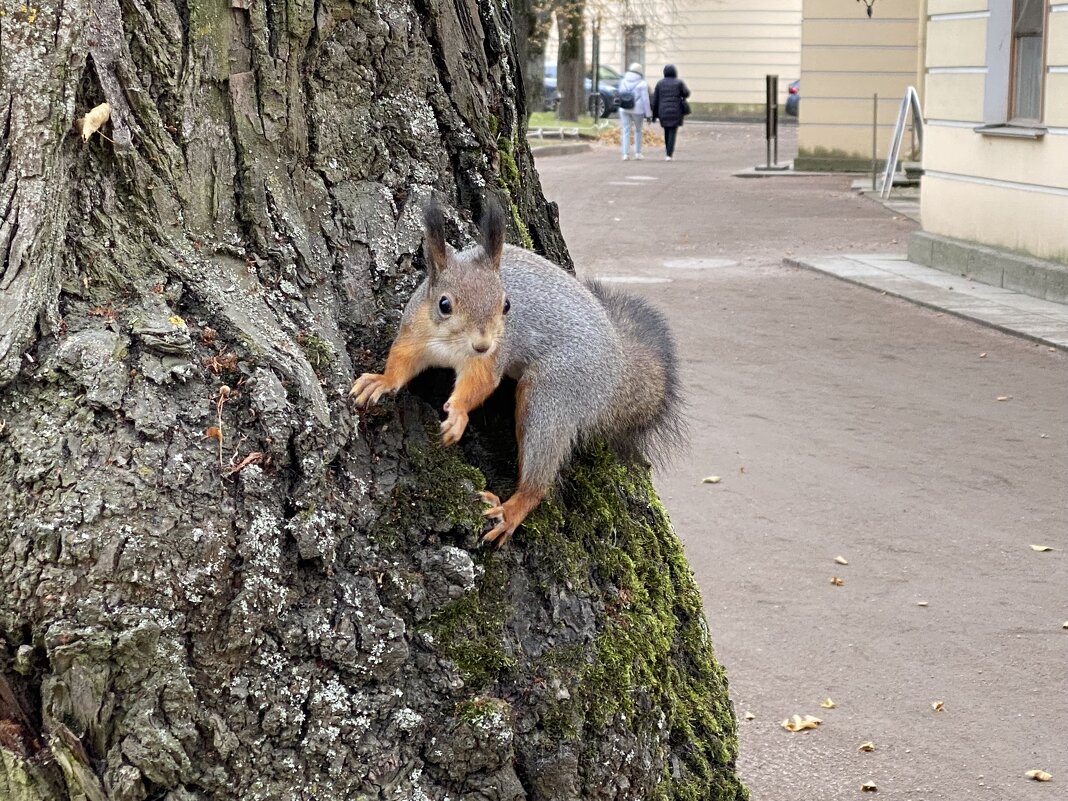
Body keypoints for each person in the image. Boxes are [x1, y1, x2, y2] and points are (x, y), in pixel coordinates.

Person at [352, 199, 682, 546]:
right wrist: (389, 378)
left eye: (503, 309)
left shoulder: (492, 328)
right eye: (447, 308)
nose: (483, 341)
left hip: (576, 353)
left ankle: (527, 497)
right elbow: (407, 349)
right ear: (435, 293)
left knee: (539, 395)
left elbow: (484, 375)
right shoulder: (422, 311)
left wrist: (460, 407)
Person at [651, 64, 691, 161]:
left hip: (663, 111)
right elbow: (687, 93)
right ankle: (669, 154)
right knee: (673, 131)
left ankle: (667, 151)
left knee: (666, 131)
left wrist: (654, 115)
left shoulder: (660, 83)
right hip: (676, 111)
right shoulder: (679, 83)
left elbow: (655, 100)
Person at [617, 62, 651, 161]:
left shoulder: (623, 81)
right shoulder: (642, 83)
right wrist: (648, 114)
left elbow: (620, 94)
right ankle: (637, 153)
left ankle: (625, 154)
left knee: (626, 130)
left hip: (624, 108)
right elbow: (645, 100)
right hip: (638, 110)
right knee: (638, 130)